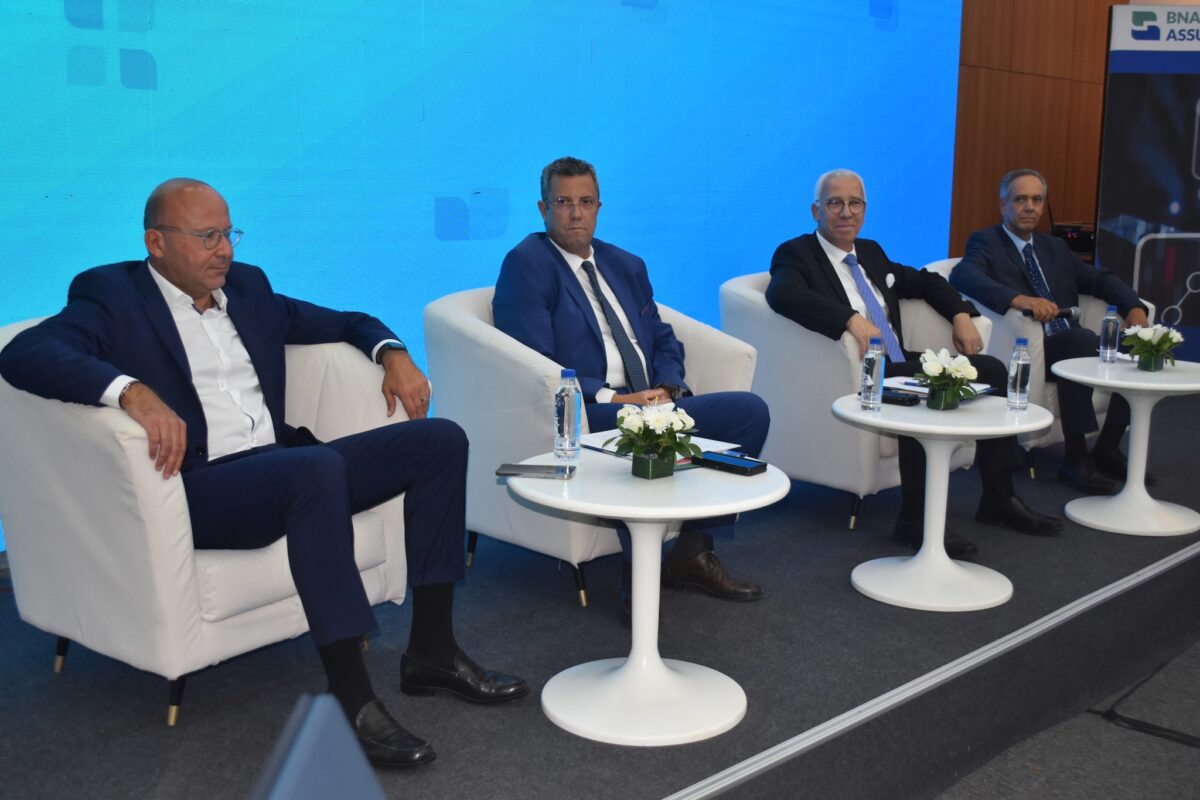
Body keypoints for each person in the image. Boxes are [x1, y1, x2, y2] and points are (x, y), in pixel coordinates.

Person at [0, 178, 527, 769]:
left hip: (289, 469)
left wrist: (392, 352)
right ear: (156, 243)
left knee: (439, 440)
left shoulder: (247, 288)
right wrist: (130, 391)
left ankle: (432, 651)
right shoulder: (111, 295)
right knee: (314, 468)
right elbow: (23, 355)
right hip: (203, 488)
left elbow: (347, 321)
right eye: (207, 237)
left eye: (229, 234)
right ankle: (351, 699)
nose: (225, 250)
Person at [493, 156, 770, 608]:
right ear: (543, 209)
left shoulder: (625, 264)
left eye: (586, 202)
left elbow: (663, 338)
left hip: (651, 402)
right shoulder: (527, 264)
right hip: (590, 410)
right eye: (563, 202)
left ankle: (692, 552)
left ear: (599, 207)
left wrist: (669, 387)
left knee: (749, 412)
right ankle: (636, 577)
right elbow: (536, 361)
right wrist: (616, 397)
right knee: (642, 433)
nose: (576, 214)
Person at [766, 169, 1062, 558]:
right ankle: (913, 519)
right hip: (865, 369)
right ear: (816, 210)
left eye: (855, 203)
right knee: (921, 388)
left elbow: (925, 282)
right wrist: (849, 319)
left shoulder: (870, 252)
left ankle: (999, 497)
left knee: (991, 369)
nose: (846, 212)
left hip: (898, 359)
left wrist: (960, 315)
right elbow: (782, 294)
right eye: (835, 203)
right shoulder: (796, 253)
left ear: (865, 209)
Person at [950, 169, 1150, 495]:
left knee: (1135, 342)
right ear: (1003, 205)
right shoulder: (987, 242)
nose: (1029, 207)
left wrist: (1134, 307)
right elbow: (963, 275)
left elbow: (1100, 280)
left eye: (1037, 200)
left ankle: (1108, 446)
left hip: (1069, 337)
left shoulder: (1054, 247)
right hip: (1033, 346)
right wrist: (1019, 299)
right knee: (1080, 342)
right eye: (1020, 199)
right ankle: (1076, 458)